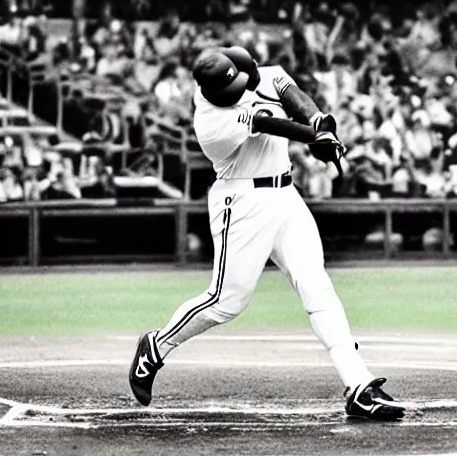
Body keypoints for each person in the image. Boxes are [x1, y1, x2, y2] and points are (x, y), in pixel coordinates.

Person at [128, 47, 405, 421]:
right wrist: (312, 137)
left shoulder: (253, 71)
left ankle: (357, 385)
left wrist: (320, 122)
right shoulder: (211, 121)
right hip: (240, 203)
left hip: (286, 196)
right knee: (226, 301)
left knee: (317, 287)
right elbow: (266, 122)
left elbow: (290, 92)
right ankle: (156, 346)